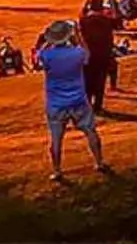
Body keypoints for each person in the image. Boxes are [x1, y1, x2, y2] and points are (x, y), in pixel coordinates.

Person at [36, 20, 108, 182]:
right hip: (78, 100)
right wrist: (77, 35)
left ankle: (57, 171)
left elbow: (38, 56)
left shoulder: (47, 55)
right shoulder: (76, 53)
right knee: (91, 132)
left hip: (56, 103)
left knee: (56, 139)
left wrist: (49, 41)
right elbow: (87, 54)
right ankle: (99, 162)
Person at [79, 0, 119, 114]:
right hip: (104, 55)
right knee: (100, 82)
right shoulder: (107, 21)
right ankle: (98, 106)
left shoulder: (84, 21)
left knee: (87, 82)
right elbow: (116, 22)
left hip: (88, 56)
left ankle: (87, 105)